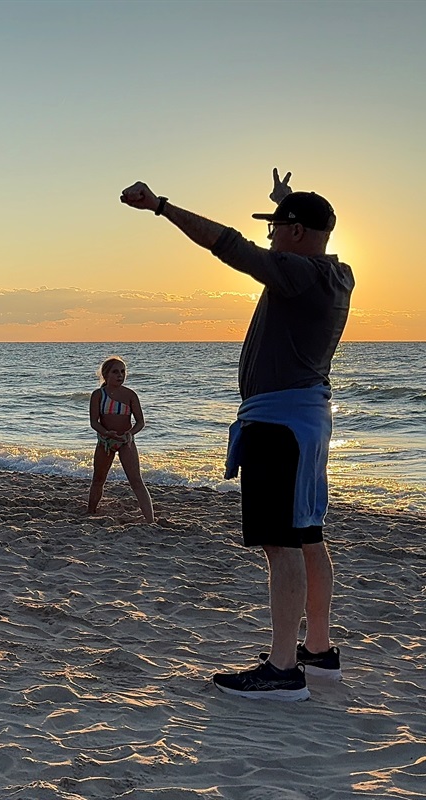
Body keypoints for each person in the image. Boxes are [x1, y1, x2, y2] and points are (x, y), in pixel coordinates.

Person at [121, 169, 353, 701]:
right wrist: (284, 204)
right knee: (308, 535)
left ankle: (283, 669)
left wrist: (162, 207)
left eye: (278, 227)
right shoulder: (337, 274)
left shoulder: (297, 274)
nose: (270, 236)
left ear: (295, 233)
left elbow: (228, 245)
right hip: (306, 419)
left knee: (282, 545)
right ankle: (317, 653)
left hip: (282, 425)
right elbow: (288, 236)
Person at [87, 356, 155, 522]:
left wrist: (130, 434)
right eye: (115, 372)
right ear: (106, 374)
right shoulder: (98, 395)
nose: (120, 375)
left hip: (126, 442)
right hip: (105, 442)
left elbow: (140, 422)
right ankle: (90, 511)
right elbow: (94, 422)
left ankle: (150, 520)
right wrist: (106, 433)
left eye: (123, 371)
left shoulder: (130, 395)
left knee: (136, 481)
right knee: (98, 479)